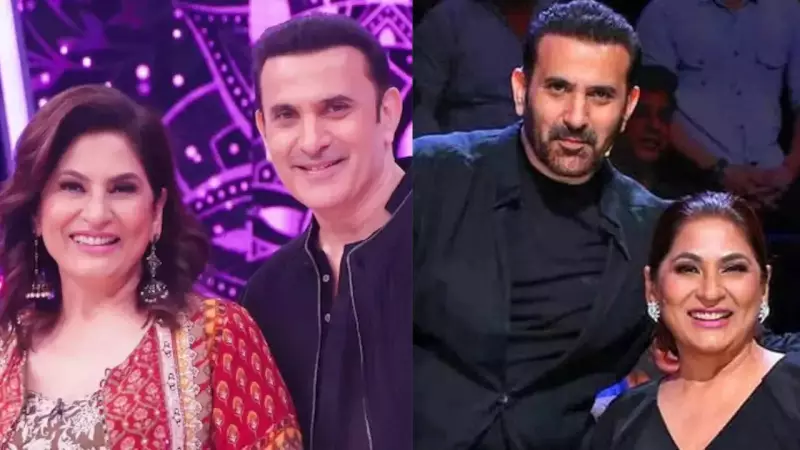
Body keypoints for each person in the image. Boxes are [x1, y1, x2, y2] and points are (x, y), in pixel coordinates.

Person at [412, 1, 800, 448]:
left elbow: (740, 334)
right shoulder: (432, 176)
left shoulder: (652, 228)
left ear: (628, 105)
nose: (576, 117)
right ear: (521, 89)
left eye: (600, 95)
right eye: (558, 88)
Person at [0, 85, 302, 449]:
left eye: (122, 189)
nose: (97, 213)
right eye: (72, 187)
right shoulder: (6, 343)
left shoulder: (215, 338)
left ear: (156, 211)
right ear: (36, 211)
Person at [242, 15, 411, 450]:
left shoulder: (457, 239)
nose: (312, 141)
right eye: (286, 116)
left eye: (335, 108)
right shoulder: (266, 296)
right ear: (263, 131)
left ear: (387, 113)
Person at [588, 192, 800, 449]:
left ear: (764, 286)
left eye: (733, 269)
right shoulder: (623, 421)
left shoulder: (793, 389)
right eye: (688, 269)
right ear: (652, 287)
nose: (710, 293)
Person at [636, 0, 800, 214]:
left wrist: (789, 170)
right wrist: (718, 170)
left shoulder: (788, 11)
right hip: (689, 183)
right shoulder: (664, 11)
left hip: (773, 189)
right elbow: (653, 105)